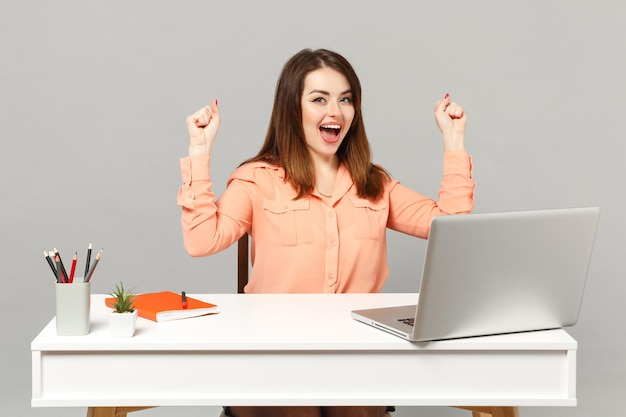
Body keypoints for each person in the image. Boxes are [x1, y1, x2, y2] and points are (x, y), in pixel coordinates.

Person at [177, 49, 474, 417]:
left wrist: (454, 140)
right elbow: (201, 240)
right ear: (293, 109)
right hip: (274, 351)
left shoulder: (374, 183)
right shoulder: (256, 179)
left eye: (345, 99)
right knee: (296, 406)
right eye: (319, 99)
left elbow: (453, 226)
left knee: (354, 406)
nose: (335, 112)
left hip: (356, 353)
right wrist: (199, 151)